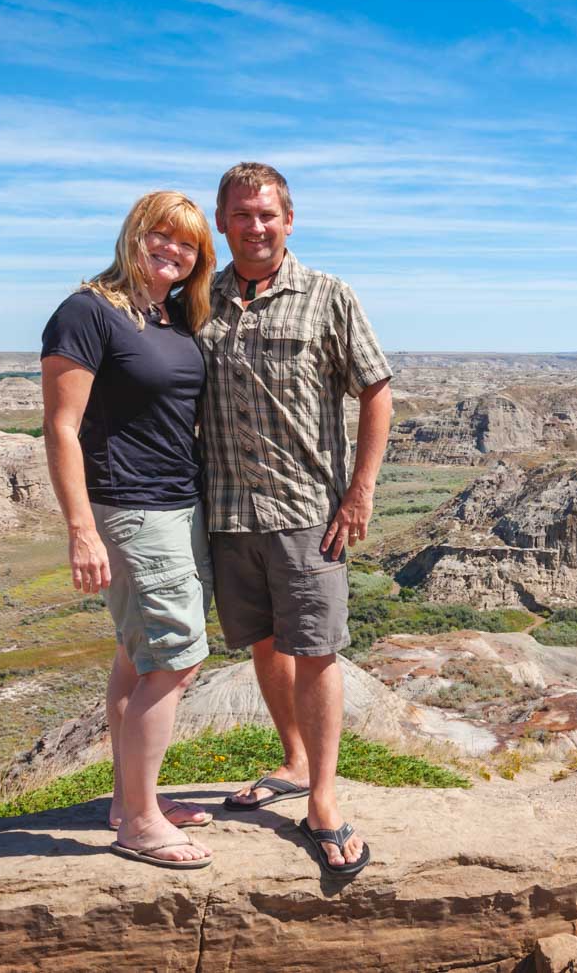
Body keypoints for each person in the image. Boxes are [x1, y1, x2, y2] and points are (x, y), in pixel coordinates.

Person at [199, 162, 393, 878]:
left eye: (268, 214)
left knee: (314, 648)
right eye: (242, 215)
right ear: (222, 221)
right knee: (262, 641)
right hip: (226, 510)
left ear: (289, 220)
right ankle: (292, 756)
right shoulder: (202, 299)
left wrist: (360, 491)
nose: (255, 226)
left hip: (306, 510)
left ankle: (323, 799)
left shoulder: (327, 295)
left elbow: (377, 390)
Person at [40, 191, 218, 870]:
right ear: (134, 234)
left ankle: (129, 799)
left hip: (179, 504)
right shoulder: (88, 311)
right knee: (176, 657)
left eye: (188, 245)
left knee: (135, 653)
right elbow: (61, 427)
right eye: (161, 236)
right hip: (130, 509)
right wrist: (81, 530)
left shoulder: (171, 317)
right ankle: (141, 822)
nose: (172, 251)